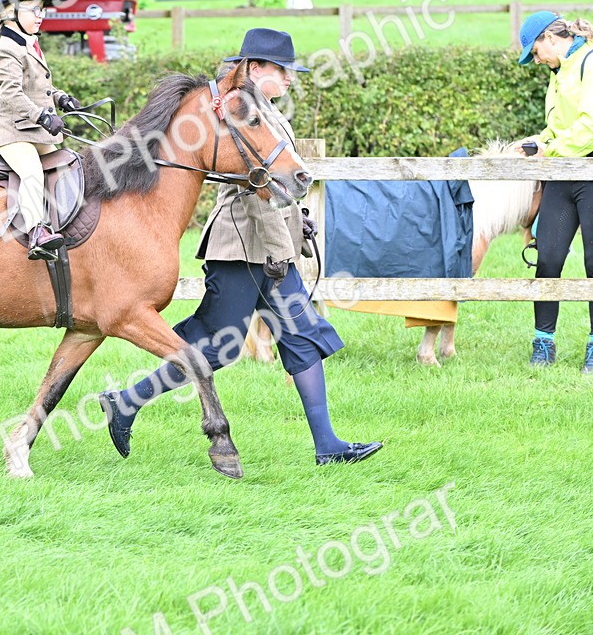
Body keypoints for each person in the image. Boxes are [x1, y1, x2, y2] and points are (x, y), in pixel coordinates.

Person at [98, 28, 383, 467]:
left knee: (301, 336)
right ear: (253, 69)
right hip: (242, 247)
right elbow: (248, 183)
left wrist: (295, 219)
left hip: (271, 248)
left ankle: (328, 446)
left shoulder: (264, 112)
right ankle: (127, 402)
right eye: (282, 71)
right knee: (217, 343)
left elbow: (276, 181)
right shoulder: (234, 113)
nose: (290, 80)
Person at [516, 11, 593, 373]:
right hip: (565, 173)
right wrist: (538, 142)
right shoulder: (560, 71)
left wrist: (553, 149)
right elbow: (559, 127)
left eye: (535, 52)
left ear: (550, 38)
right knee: (547, 258)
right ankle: (543, 342)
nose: (536, 60)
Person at [0, 0, 80, 261]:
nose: (40, 15)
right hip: (12, 132)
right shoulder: (7, 48)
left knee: (67, 167)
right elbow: (11, 95)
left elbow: (36, 86)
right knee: (33, 173)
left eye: (43, 9)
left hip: (34, 131)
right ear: (8, 11)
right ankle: (37, 232)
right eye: (33, 8)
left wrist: (61, 98)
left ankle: (64, 223)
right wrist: (43, 117)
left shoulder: (30, 45)